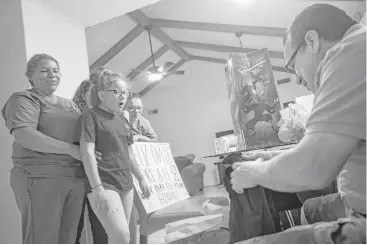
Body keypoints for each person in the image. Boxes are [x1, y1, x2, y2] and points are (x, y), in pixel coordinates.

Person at [231, 4, 366, 243]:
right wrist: (269, 156)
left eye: (293, 65)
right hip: (355, 202)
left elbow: (313, 168)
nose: (297, 78)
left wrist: (253, 173)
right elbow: (324, 146)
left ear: (312, 41)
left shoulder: (351, 51)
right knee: (310, 208)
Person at [1, 53, 101, 243]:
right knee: (43, 237)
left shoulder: (70, 104)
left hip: (74, 178)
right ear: (30, 76)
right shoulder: (24, 98)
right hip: (40, 177)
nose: (52, 75)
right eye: (44, 71)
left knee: (69, 237)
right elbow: (24, 135)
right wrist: (71, 150)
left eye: (55, 71)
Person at [74, 67, 151, 243]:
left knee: (122, 236)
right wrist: (97, 188)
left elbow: (129, 152)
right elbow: (86, 152)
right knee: (121, 235)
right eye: (116, 92)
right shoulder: (90, 116)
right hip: (104, 183)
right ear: (101, 95)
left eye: (125, 92)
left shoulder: (123, 119)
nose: (122, 96)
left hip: (126, 183)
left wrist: (141, 178)